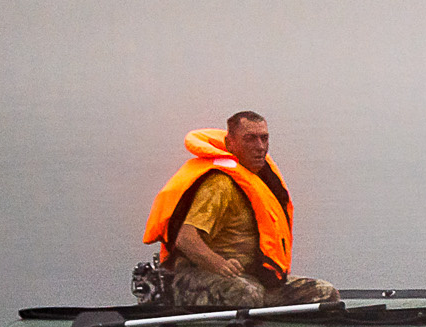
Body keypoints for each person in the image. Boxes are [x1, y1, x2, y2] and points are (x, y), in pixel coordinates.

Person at [142, 111, 339, 309]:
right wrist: (219, 264)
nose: (260, 146)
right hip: (197, 277)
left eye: (264, 138)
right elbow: (186, 239)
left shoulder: (258, 182)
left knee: (325, 292)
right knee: (247, 293)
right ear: (230, 143)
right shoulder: (219, 186)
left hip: (250, 277)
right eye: (250, 139)